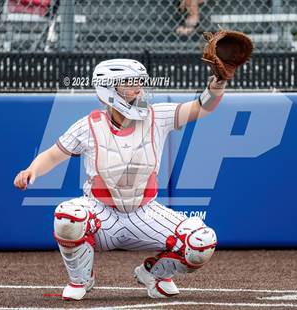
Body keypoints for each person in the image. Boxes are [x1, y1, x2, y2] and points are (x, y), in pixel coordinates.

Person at [14, 58, 226, 300]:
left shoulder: (157, 116)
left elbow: (201, 107)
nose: (138, 88)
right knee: (67, 216)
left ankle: (154, 274)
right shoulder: (89, 125)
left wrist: (218, 83)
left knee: (202, 242)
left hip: (144, 213)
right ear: (109, 88)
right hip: (101, 212)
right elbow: (54, 154)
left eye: (140, 82)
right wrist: (32, 170)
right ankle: (81, 279)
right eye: (129, 82)